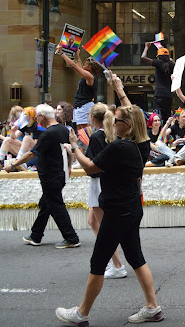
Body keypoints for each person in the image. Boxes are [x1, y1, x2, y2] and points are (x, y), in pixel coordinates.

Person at [56, 104, 163, 325]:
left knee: (98, 261)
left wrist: (75, 147)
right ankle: (152, 307)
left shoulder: (120, 147)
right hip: (132, 207)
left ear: (128, 125)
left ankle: (81, 313)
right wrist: (119, 89)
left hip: (117, 210)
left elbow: (89, 167)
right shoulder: (140, 145)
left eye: (117, 121)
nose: (113, 124)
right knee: (135, 257)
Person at [5, 104, 80, 248]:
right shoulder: (63, 129)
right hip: (59, 173)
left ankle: (71, 237)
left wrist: (13, 165)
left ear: (42, 116)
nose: (36, 119)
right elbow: (68, 150)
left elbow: (31, 153)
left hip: (51, 175)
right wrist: (69, 168)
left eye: (37, 116)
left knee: (56, 205)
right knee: (46, 205)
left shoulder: (49, 133)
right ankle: (36, 235)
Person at [84, 103, 127, 279]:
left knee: (103, 227)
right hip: (106, 182)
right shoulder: (112, 135)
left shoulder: (96, 137)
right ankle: (112, 260)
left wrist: (74, 151)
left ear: (93, 118)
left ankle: (117, 264)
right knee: (93, 222)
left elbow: (92, 165)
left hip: (99, 183)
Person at [56, 48, 101, 129]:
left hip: (85, 105)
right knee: (80, 130)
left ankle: (87, 142)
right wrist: (77, 57)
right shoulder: (86, 76)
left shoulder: (91, 77)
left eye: (86, 64)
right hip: (80, 106)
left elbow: (74, 66)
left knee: (85, 130)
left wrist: (62, 53)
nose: (83, 65)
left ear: (90, 67)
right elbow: (79, 68)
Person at [141, 43, 175, 123]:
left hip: (159, 94)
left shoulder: (159, 63)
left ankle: (158, 133)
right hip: (168, 95)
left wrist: (146, 47)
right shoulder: (172, 65)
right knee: (167, 117)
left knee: (156, 117)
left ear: (159, 57)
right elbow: (171, 60)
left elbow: (143, 57)